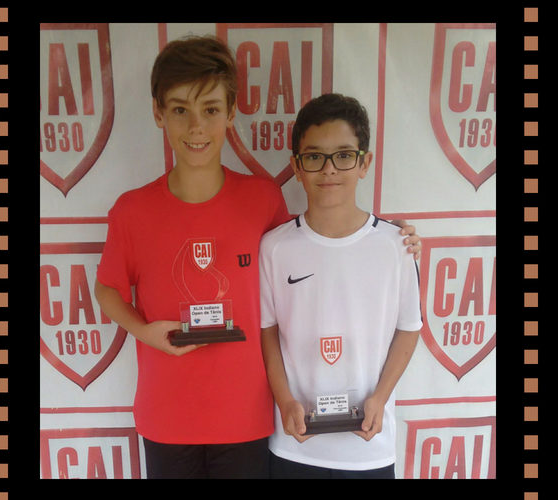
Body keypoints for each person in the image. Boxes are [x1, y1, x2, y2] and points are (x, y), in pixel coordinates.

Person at [95, 35, 421, 479]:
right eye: (180, 110)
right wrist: (144, 332)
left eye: (211, 109)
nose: (196, 127)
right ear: (158, 113)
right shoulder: (133, 210)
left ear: (231, 113)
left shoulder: (262, 199)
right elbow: (107, 289)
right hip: (166, 415)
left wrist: (385, 236)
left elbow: (315, 247)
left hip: (247, 418)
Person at [259, 93, 423, 479]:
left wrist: (380, 398)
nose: (329, 169)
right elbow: (267, 332)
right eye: (314, 157)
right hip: (295, 444)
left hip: (368, 447)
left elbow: (409, 328)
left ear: (364, 163)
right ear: (296, 167)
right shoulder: (275, 247)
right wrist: (284, 400)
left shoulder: (396, 245)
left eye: (344, 155)